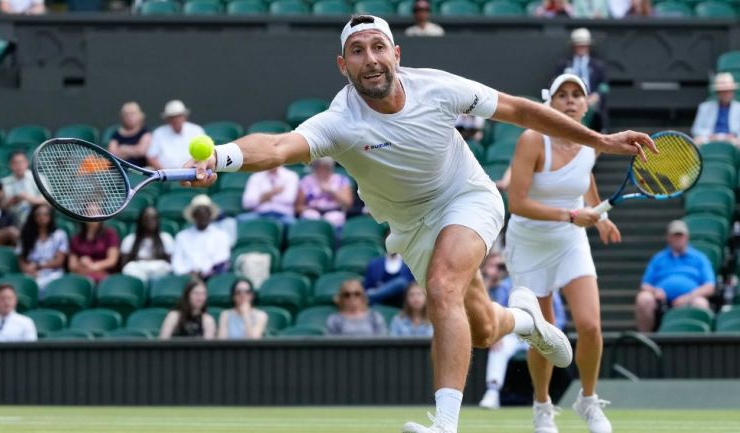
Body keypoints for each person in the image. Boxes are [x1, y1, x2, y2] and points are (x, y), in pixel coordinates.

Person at [182, 15, 655, 433]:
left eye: (378, 47)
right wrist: (223, 157)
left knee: (442, 287)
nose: (370, 59)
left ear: (396, 53)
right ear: (342, 65)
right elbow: (279, 147)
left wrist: (602, 140)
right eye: (357, 51)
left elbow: (520, 110)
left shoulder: (438, 88)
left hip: (468, 198)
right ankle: (527, 319)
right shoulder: (338, 121)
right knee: (486, 328)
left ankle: (444, 424)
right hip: (411, 226)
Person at [506, 74, 623, 433]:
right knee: (545, 333)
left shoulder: (590, 144)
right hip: (529, 242)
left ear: (586, 105)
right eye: (562, 95)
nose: (570, 101)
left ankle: (588, 401)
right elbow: (517, 202)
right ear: (550, 103)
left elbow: (584, 179)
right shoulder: (532, 139)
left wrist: (597, 216)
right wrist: (574, 215)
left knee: (590, 325)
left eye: (577, 95)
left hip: (571, 241)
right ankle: (542, 405)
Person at [477, 252, 566, 410]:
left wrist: (548, 332)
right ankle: (492, 392)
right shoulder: (505, 285)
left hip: (539, 334)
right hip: (512, 334)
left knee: (544, 347)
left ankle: (542, 396)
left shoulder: (547, 285)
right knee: (499, 345)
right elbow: (495, 311)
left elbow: (559, 318)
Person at [635, 220, 715, 332]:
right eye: (674, 236)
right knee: (643, 298)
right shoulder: (658, 258)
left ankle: (698, 344)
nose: (678, 239)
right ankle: (646, 339)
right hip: (661, 301)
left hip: (691, 298)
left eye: (680, 235)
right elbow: (645, 284)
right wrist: (655, 291)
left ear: (687, 237)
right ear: (668, 238)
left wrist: (688, 297)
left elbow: (709, 286)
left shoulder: (700, 258)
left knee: (701, 303)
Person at [556, 28, 608, 132]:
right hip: (569, 101)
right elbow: (556, 83)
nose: (581, 48)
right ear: (573, 46)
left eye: (584, 45)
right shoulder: (564, 64)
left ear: (588, 46)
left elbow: (605, 86)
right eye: (579, 45)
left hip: (591, 104)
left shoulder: (598, 66)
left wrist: (596, 95)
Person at [171, 194, 230, 279]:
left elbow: (222, 259)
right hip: (186, 280)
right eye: (199, 213)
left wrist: (206, 272)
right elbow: (176, 263)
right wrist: (188, 273)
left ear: (210, 214)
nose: (203, 216)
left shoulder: (221, 236)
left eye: (205, 213)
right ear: (194, 216)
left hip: (211, 278)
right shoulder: (181, 237)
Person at [16, 204, 68, 293]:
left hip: (53, 274)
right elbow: (21, 260)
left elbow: (59, 261)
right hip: (31, 274)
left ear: (51, 216)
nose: (42, 217)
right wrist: (28, 270)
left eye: (45, 214)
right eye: (38, 214)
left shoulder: (59, 235)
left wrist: (38, 266)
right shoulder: (26, 235)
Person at [120, 207, 174, 283]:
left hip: (158, 267)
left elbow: (170, 262)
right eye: (147, 218)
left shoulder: (166, 238)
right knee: (129, 268)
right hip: (138, 268)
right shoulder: (130, 239)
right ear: (141, 220)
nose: (150, 221)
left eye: (153, 218)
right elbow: (124, 264)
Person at [296, 157, 352, 230]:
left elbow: (348, 203)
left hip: (334, 212)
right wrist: (310, 209)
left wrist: (331, 191)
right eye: (319, 167)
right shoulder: (306, 181)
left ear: (330, 168)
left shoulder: (341, 180)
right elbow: (298, 206)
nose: (322, 170)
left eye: (326, 168)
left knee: (333, 219)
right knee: (310, 217)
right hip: (312, 212)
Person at [147, 100, 205, 170]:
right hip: (164, 176)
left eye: (179, 116)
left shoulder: (197, 130)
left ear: (184, 116)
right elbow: (151, 157)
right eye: (172, 117)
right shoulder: (158, 133)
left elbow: (203, 155)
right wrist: (165, 173)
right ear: (167, 119)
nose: (176, 119)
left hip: (191, 174)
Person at [68, 213, 120, 283]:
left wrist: (94, 266)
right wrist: (82, 264)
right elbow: (72, 266)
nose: (93, 215)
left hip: (104, 275)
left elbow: (112, 261)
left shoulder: (110, 234)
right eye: (89, 212)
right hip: (81, 274)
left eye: (95, 212)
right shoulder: (76, 238)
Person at [691, 73, 740, 146]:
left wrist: (732, 136)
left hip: (733, 140)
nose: (726, 94)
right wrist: (711, 135)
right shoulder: (704, 107)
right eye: (723, 91)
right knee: (696, 142)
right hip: (710, 139)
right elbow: (695, 129)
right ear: (718, 93)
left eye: (728, 91)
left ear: (732, 92)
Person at [2, 149, 46, 226]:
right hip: (12, 219)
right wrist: (10, 202)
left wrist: (30, 199)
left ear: (27, 163)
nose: (19, 165)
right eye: (15, 163)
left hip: (34, 218)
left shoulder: (39, 178)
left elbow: (48, 201)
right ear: (10, 165)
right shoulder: (4, 182)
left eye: (22, 162)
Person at [108, 101, 152, 168]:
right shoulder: (116, 134)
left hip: (139, 171)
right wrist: (133, 151)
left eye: (133, 114)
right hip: (118, 169)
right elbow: (111, 154)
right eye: (126, 115)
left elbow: (141, 151)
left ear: (140, 115)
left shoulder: (145, 132)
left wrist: (123, 148)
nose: (129, 117)